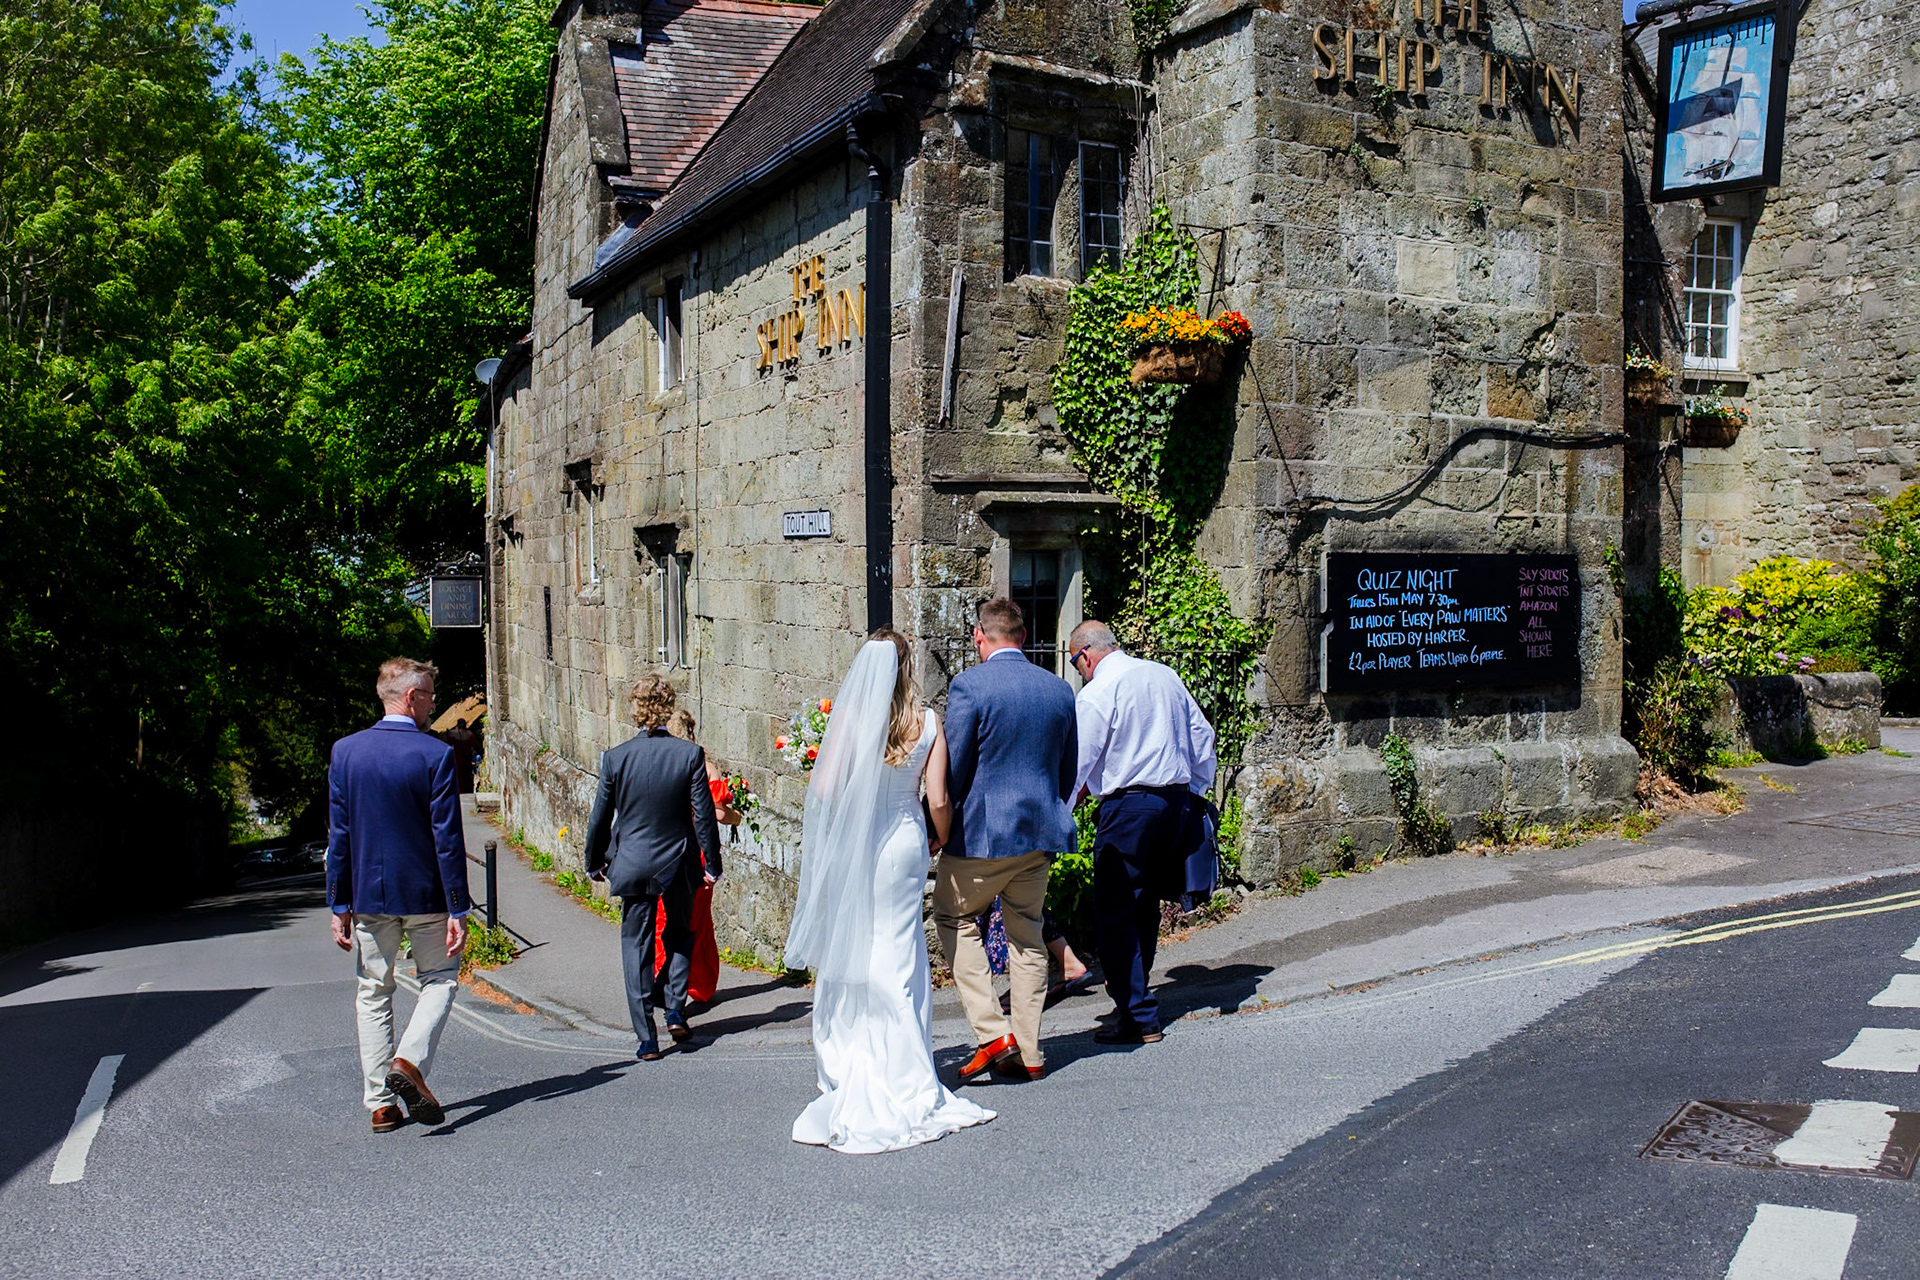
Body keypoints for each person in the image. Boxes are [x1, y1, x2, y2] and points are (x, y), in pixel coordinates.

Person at [787, 630, 996, 1153]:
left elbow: (826, 790)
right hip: (905, 841)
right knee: (900, 952)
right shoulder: (926, 721)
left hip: (864, 846)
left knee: (858, 944)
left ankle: (857, 1054)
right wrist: (940, 837)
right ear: (908, 667)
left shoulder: (853, 721)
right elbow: (939, 797)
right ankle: (906, 1067)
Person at [934, 597, 1078, 1083]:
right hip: (1039, 835)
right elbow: (1067, 772)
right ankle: (1031, 1052)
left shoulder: (970, 686)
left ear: (980, 635)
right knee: (1028, 935)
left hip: (982, 839)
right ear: (1021, 636)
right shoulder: (1059, 690)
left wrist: (942, 830)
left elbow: (953, 772)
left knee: (953, 916)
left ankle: (994, 1032)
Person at [326, 657, 472, 1133]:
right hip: (426, 892)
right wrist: (458, 905)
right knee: (441, 979)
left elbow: (340, 833)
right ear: (411, 698)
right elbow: (447, 837)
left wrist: (338, 902)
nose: (433, 704)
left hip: (368, 895)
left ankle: (380, 1105)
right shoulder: (433, 755)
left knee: (372, 991)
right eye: (429, 695)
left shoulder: (346, 753)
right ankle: (408, 1063)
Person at [1069, 620, 1217, 1046]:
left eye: (1079, 665)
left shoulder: (1098, 691)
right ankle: (1133, 1000)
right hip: (1172, 802)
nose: (1081, 672)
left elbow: (1080, 760)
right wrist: (1194, 791)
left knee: (1116, 910)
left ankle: (1137, 1015)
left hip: (1129, 808)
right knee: (1145, 906)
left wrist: (1062, 812)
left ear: (1086, 655)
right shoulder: (1163, 675)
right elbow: (1201, 737)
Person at [583, 676, 723, 1059]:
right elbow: (704, 816)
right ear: (668, 706)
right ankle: (675, 1006)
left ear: (636, 707)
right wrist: (712, 863)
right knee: (680, 933)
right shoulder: (689, 754)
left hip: (631, 861)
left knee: (636, 946)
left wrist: (593, 862)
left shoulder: (616, 757)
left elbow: (600, 818)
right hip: (677, 859)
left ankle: (647, 1037)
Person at [653, 708, 738, 1007]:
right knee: (696, 923)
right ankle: (692, 983)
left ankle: (661, 980)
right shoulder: (705, 766)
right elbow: (717, 813)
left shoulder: (658, 763)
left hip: (663, 851)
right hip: (697, 854)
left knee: (663, 919)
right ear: (691, 732)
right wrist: (738, 816)